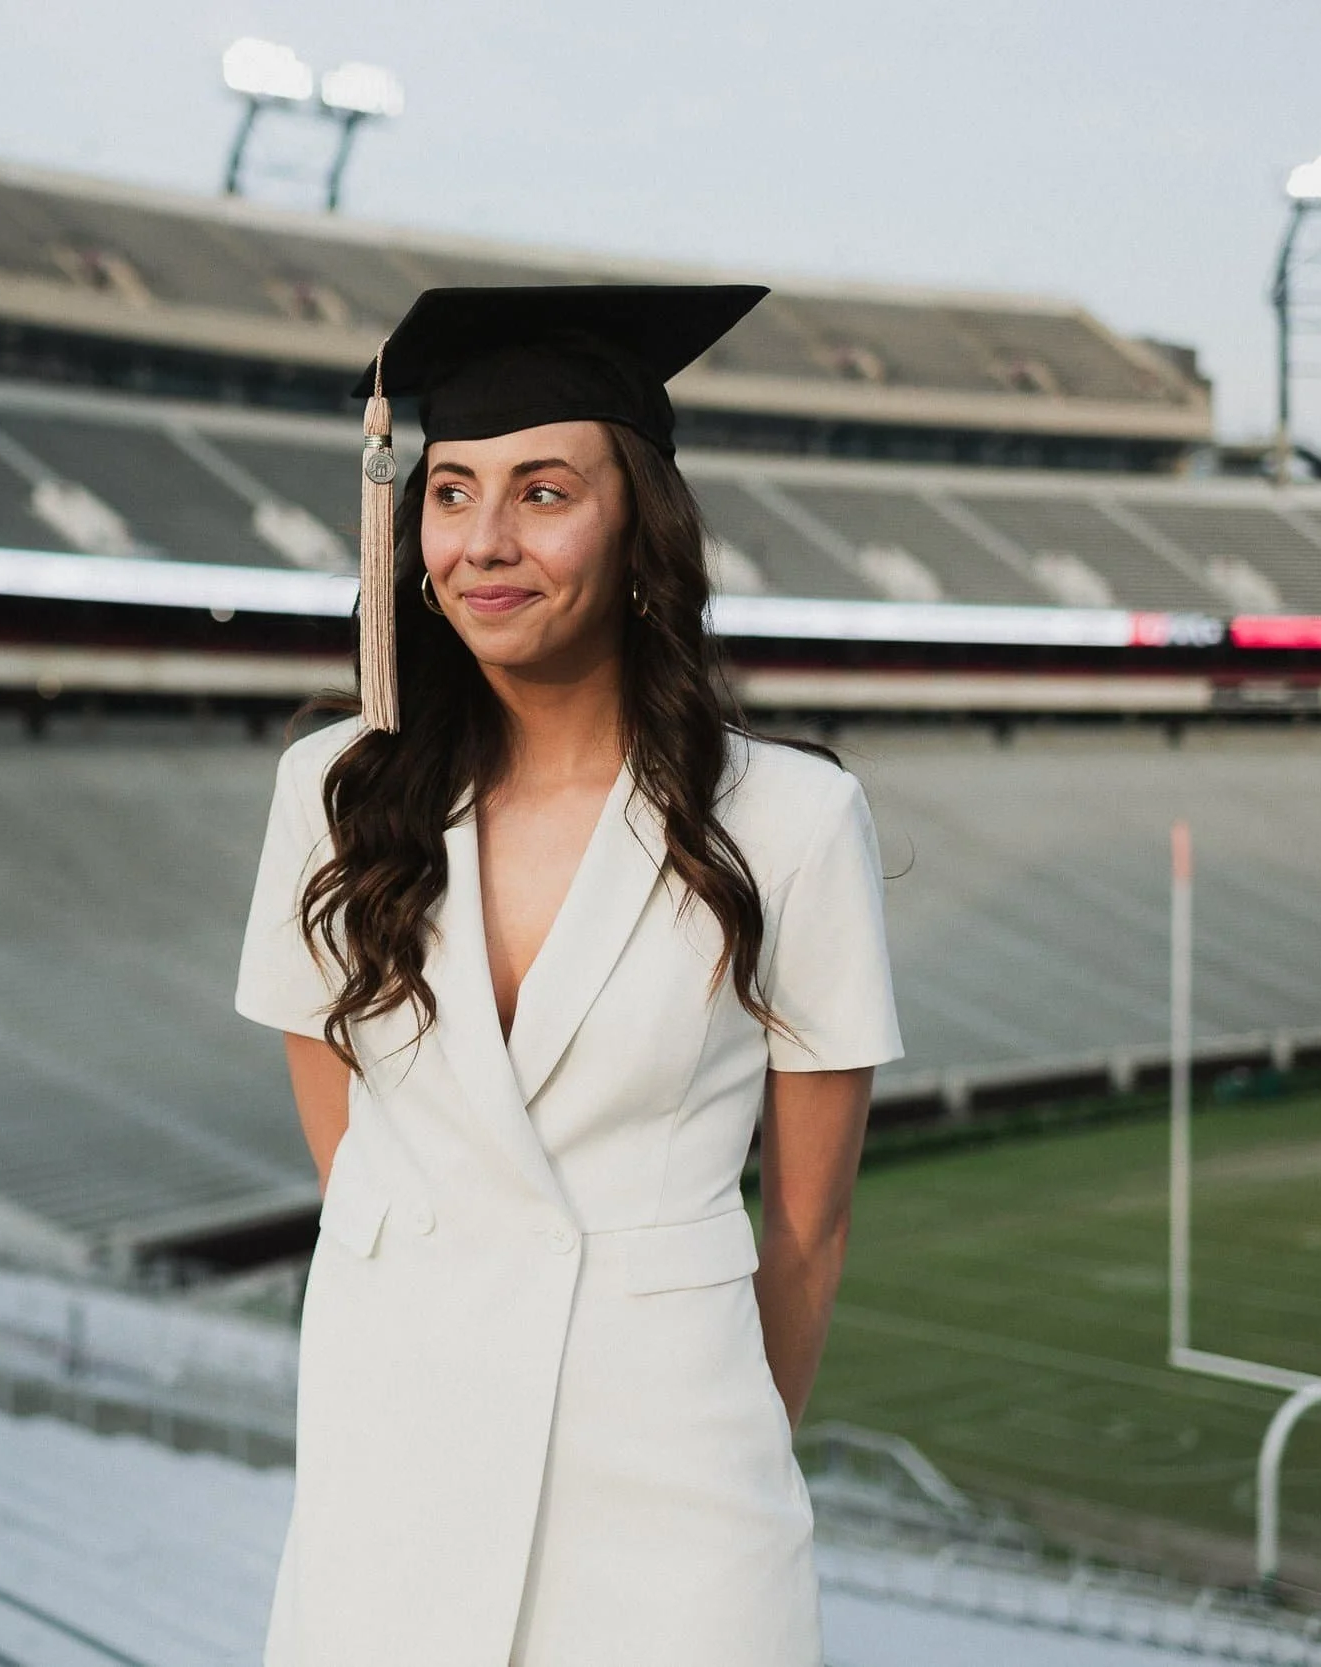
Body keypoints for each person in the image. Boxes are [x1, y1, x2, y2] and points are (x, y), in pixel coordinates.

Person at [235, 285, 902, 1667]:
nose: (486, 541)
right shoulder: (334, 794)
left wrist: (705, 1426)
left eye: (544, 493)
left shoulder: (790, 820)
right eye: (454, 493)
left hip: (673, 1478)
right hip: (394, 1454)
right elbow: (351, 1147)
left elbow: (810, 1228)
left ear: (640, 526)